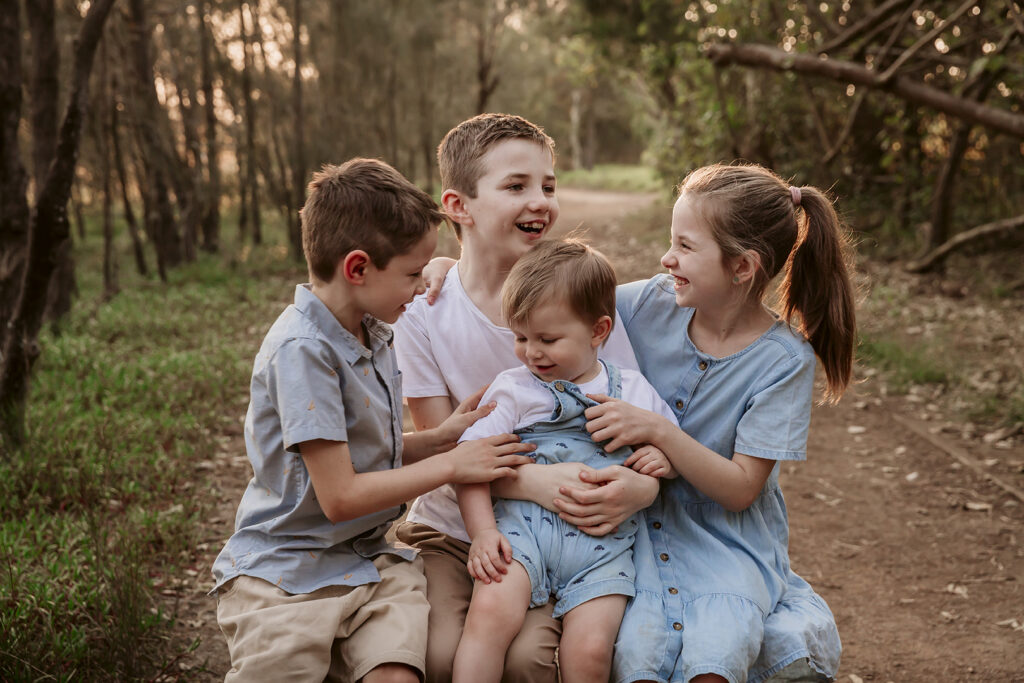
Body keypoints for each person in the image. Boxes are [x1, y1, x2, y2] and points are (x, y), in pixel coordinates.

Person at [209, 158, 536, 683]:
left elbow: (366, 451)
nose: (420, 285)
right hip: (288, 567)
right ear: (358, 269)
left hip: (369, 558)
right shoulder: (303, 352)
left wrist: (436, 439)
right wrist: (454, 464)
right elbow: (340, 497)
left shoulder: (371, 328)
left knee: (398, 674)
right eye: (412, 274)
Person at [393, 113, 659, 682]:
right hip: (451, 524)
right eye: (516, 186)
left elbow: (628, 416)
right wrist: (534, 482)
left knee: (531, 660)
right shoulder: (424, 312)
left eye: (548, 186)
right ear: (458, 206)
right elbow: (447, 455)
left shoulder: (579, 295)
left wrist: (639, 485)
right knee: (438, 656)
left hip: (552, 530)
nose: (539, 200)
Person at [582, 163, 853, 683]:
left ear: (742, 266)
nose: (667, 259)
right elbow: (559, 296)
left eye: (685, 246)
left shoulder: (783, 361)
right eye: (670, 241)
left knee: (716, 655)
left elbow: (739, 490)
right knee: (638, 654)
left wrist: (660, 431)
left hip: (726, 540)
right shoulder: (644, 305)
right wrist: (447, 270)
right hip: (633, 525)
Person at [451, 239, 678, 683]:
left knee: (592, 650)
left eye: (547, 339)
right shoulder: (513, 389)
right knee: (488, 618)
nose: (531, 352)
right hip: (522, 537)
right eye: (520, 337)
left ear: (598, 331)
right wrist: (481, 534)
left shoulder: (629, 389)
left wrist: (657, 459)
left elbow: (667, 443)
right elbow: (468, 462)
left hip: (602, 548)